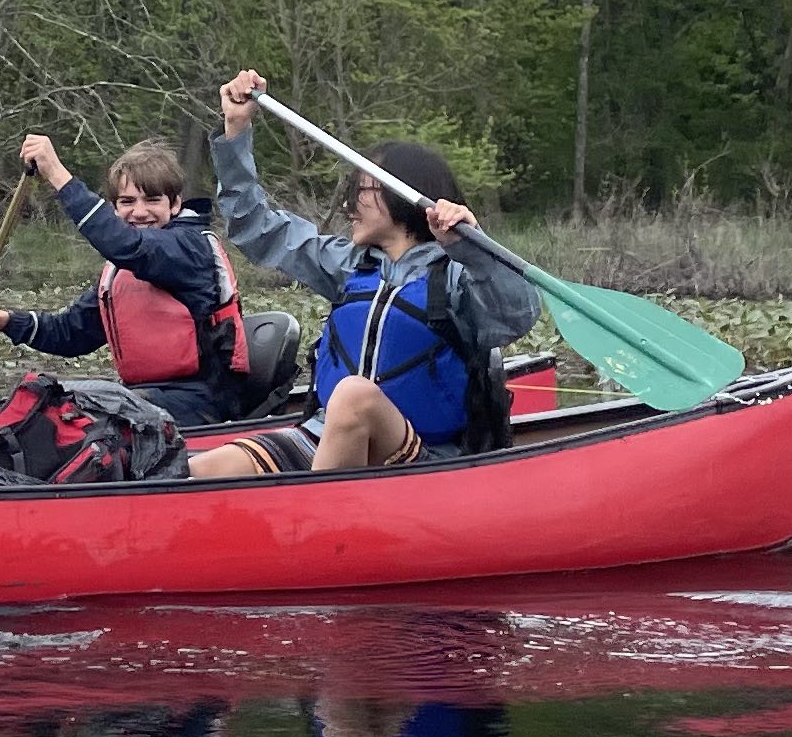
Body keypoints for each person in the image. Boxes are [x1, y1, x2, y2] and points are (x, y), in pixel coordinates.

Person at [186, 68, 533, 477]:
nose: (349, 204)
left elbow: (517, 313)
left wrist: (472, 246)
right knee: (204, 468)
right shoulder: (346, 264)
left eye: (360, 192)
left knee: (354, 396)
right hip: (322, 439)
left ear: (403, 195)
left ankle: (312, 523)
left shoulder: (458, 277)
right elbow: (254, 225)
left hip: (419, 458)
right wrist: (236, 130)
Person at [0, 131, 258, 426]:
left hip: (205, 404)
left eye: (152, 200)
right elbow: (69, 333)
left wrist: (56, 173)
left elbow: (128, 246)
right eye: (127, 202)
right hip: (146, 402)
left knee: (84, 411)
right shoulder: (119, 273)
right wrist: (2, 320)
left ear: (175, 205)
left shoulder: (188, 247)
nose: (139, 212)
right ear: (114, 208)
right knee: (49, 405)